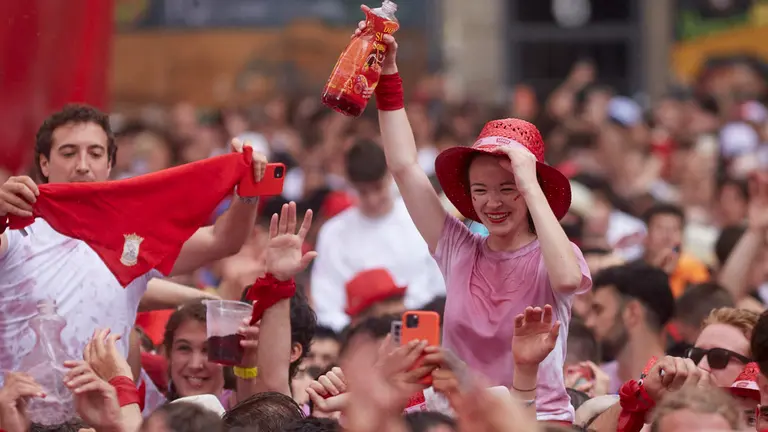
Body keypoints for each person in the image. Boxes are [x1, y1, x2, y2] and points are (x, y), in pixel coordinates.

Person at [363, 17, 591, 422]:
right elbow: (404, 167)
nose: (493, 203)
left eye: (507, 188)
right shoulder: (458, 247)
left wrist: (528, 180)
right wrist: (388, 76)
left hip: (538, 421)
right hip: (457, 419)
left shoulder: (557, 253)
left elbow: (568, 280)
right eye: (480, 190)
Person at [0, 104, 267, 383]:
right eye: (68, 153)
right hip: (18, 409)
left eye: (95, 153)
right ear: (44, 163)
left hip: (109, 410)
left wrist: (248, 188)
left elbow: (221, 240)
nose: (82, 165)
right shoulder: (15, 227)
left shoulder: (135, 235)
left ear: (109, 164)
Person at [311, 138, 445, 332]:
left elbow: (440, 283)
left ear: (389, 177)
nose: (373, 200)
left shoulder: (419, 217)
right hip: (359, 333)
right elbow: (326, 301)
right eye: (363, 192)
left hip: (420, 324)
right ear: (349, 185)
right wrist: (357, 333)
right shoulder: (333, 233)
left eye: (377, 188)